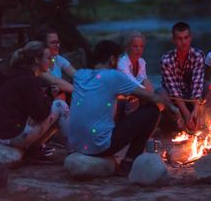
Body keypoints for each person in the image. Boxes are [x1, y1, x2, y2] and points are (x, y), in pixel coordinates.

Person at [69, 40, 179, 176]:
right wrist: (167, 108)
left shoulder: (80, 74)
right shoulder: (114, 76)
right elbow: (154, 97)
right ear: (112, 59)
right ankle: (128, 162)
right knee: (152, 110)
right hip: (100, 146)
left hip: (76, 144)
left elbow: (100, 93)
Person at [0, 41, 70, 153]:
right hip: (14, 136)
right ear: (36, 59)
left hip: (5, 134)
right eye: (49, 58)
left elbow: (30, 107)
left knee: (54, 107)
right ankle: (75, 148)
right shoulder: (28, 80)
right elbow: (41, 114)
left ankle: (36, 147)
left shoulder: (17, 74)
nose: (51, 62)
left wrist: (48, 95)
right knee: (60, 106)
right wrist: (51, 97)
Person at [161, 22, 205, 131]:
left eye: (186, 37)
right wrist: (186, 114)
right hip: (174, 99)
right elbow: (173, 90)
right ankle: (176, 117)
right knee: (159, 92)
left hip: (192, 96)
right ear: (174, 40)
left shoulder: (198, 56)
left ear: (191, 37)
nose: (183, 42)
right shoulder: (166, 60)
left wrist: (196, 109)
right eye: (179, 39)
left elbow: (197, 84)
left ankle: (202, 117)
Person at [116, 31, 153, 117]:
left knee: (146, 83)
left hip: (135, 96)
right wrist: (151, 95)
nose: (139, 49)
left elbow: (145, 82)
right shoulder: (122, 63)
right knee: (140, 92)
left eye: (141, 46)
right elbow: (131, 83)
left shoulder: (142, 62)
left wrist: (150, 93)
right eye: (135, 46)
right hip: (120, 99)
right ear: (127, 47)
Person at [37, 27, 76, 95]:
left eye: (57, 42)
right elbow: (55, 81)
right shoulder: (37, 64)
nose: (57, 45)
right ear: (43, 45)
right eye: (53, 43)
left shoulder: (57, 58)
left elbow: (77, 75)